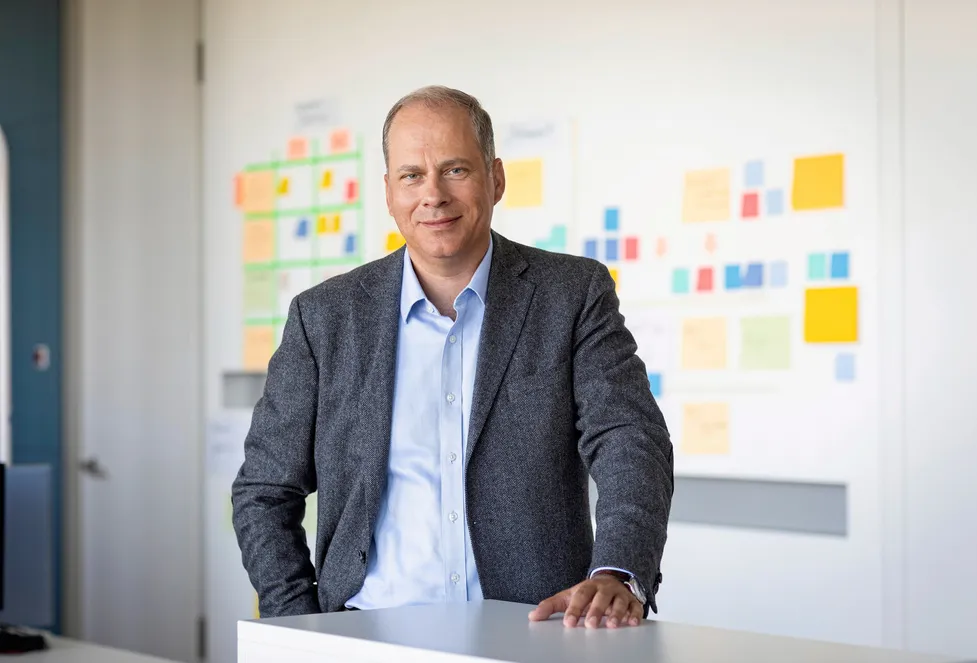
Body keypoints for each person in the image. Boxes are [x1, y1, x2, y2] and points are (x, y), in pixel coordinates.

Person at [231, 85, 673, 630]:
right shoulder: (324, 318)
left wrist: (618, 571)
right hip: (366, 632)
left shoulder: (571, 294)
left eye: (455, 170)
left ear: (496, 178)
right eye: (411, 175)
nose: (433, 195)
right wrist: (301, 627)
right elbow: (264, 490)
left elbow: (631, 440)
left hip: (533, 632)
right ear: (388, 191)